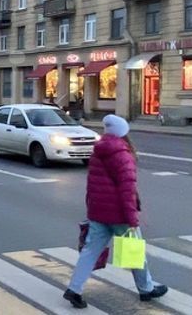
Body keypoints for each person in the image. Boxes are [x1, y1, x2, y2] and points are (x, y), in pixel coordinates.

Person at [63, 114, 167, 309]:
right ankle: (146, 289)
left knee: (90, 251)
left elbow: (92, 184)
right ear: (124, 133)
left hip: (98, 211)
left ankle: (74, 289)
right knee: (135, 251)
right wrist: (132, 218)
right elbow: (127, 189)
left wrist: (91, 208)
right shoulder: (122, 154)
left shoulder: (98, 150)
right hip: (119, 215)